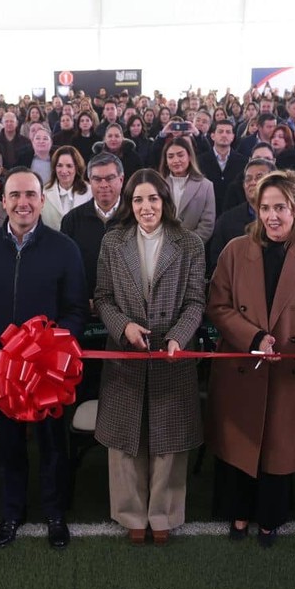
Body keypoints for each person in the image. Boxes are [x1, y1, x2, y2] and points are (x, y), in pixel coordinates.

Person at [0, 168, 88, 550]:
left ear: (42, 199)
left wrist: (51, 351)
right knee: (10, 445)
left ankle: (54, 514)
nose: (23, 202)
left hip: (48, 374)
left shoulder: (65, 248)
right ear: (3, 201)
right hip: (0, 371)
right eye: (15, 195)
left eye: (30, 194)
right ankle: (12, 513)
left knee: (53, 445)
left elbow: (77, 310)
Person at [206, 170, 295, 546]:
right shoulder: (234, 250)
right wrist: (254, 337)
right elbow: (218, 306)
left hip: (288, 374)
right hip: (242, 368)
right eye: (265, 208)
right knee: (239, 445)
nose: (272, 216)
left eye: (280, 207)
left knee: (278, 449)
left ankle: (270, 518)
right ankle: (239, 514)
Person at [93, 169, 206, 545]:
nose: (146, 207)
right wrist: (123, 326)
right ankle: (131, 515)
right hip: (125, 354)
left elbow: (195, 302)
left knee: (168, 440)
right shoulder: (112, 242)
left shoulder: (190, 244)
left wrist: (177, 337)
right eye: (138, 200)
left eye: (153, 199)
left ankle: (163, 515)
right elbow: (103, 298)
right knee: (126, 438)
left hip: (172, 356)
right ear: (130, 203)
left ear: (165, 202)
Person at [60, 151, 126, 299]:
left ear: (121, 179)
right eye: (97, 179)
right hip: (85, 303)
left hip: (128, 306)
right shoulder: (72, 220)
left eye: (110, 178)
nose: (103, 185)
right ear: (90, 181)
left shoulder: (134, 217)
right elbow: (66, 268)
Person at [208, 158, 272, 271]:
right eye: (248, 179)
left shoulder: (285, 219)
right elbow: (217, 263)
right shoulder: (226, 221)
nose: (253, 182)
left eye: (259, 177)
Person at [158, 136, 215, 243]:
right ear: (166, 161)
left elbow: (207, 224)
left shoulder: (206, 186)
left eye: (180, 155)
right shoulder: (158, 184)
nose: (176, 160)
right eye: (170, 157)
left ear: (189, 157)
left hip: (192, 248)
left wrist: (188, 245)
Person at [42, 145, 92, 230]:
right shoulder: (44, 192)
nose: (64, 171)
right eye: (60, 165)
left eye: (69, 166)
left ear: (77, 168)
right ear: (54, 167)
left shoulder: (90, 192)